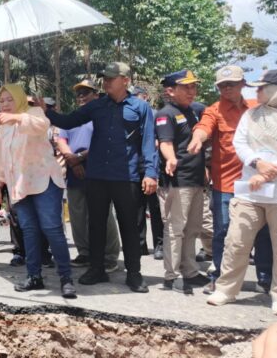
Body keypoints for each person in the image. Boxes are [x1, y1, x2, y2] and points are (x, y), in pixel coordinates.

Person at [46, 62, 158, 293]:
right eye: (104, 78)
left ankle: (134, 273)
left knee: (129, 225)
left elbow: (148, 142)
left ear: (125, 80)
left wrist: (150, 173)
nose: (105, 82)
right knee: (96, 223)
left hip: (126, 175)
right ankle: (97, 269)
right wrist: (45, 111)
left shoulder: (140, 107)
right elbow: (68, 121)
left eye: (110, 78)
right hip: (97, 175)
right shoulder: (96, 106)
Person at [207, 69, 277, 316]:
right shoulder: (251, 114)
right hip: (250, 192)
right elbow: (240, 142)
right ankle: (226, 289)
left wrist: (267, 174)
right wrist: (256, 163)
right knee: (236, 241)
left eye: (261, 88)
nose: (256, 91)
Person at [187, 65, 273, 294]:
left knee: (263, 232)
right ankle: (219, 277)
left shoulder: (256, 109)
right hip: (226, 183)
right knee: (223, 232)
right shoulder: (213, 111)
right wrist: (197, 139)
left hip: (256, 183)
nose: (226, 88)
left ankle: (266, 278)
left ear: (243, 84)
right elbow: (203, 128)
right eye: (222, 85)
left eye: (231, 84)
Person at [0, 84, 76, 298]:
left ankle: (66, 278)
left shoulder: (34, 112)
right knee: (29, 230)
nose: (5, 104)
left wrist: (16, 118)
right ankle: (34, 276)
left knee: (52, 228)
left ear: (20, 98)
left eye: (10, 99)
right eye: (1, 101)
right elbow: (1, 158)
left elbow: (42, 125)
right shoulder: (2, 127)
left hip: (44, 181)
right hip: (19, 185)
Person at [56, 79, 120, 272]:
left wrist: (80, 157)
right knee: (77, 215)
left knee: (104, 215)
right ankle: (84, 252)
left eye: (86, 93)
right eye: (79, 94)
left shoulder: (103, 116)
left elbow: (107, 142)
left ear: (96, 95)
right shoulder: (72, 117)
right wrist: (73, 160)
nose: (81, 97)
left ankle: (109, 256)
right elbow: (61, 140)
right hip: (74, 169)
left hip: (98, 169)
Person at [155, 70, 209, 294]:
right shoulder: (166, 114)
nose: (191, 90)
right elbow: (165, 142)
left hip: (196, 179)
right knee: (175, 228)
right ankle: (172, 275)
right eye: (186, 87)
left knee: (193, 228)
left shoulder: (195, 111)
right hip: (179, 179)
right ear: (170, 91)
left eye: (193, 86)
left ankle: (190, 271)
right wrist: (171, 159)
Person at [132, 86, 164, 260]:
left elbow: (161, 140)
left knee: (156, 209)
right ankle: (140, 245)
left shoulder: (155, 114)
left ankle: (160, 245)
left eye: (135, 96)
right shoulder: (129, 114)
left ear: (144, 97)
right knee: (137, 208)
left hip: (153, 167)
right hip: (135, 167)